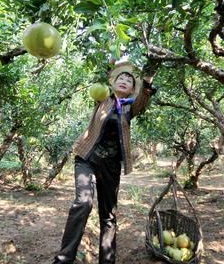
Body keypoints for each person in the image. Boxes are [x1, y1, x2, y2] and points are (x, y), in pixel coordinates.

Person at [52, 60, 157, 264]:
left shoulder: (131, 108)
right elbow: (100, 80)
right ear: (113, 82)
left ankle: (107, 261)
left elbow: (144, 96)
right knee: (83, 203)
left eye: (129, 79)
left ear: (133, 89)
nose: (125, 80)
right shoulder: (102, 98)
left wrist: (150, 70)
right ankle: (64, 259)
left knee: (108, 216)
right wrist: (106, 64)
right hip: (87, 158)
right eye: (121, 77)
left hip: (111, 166)